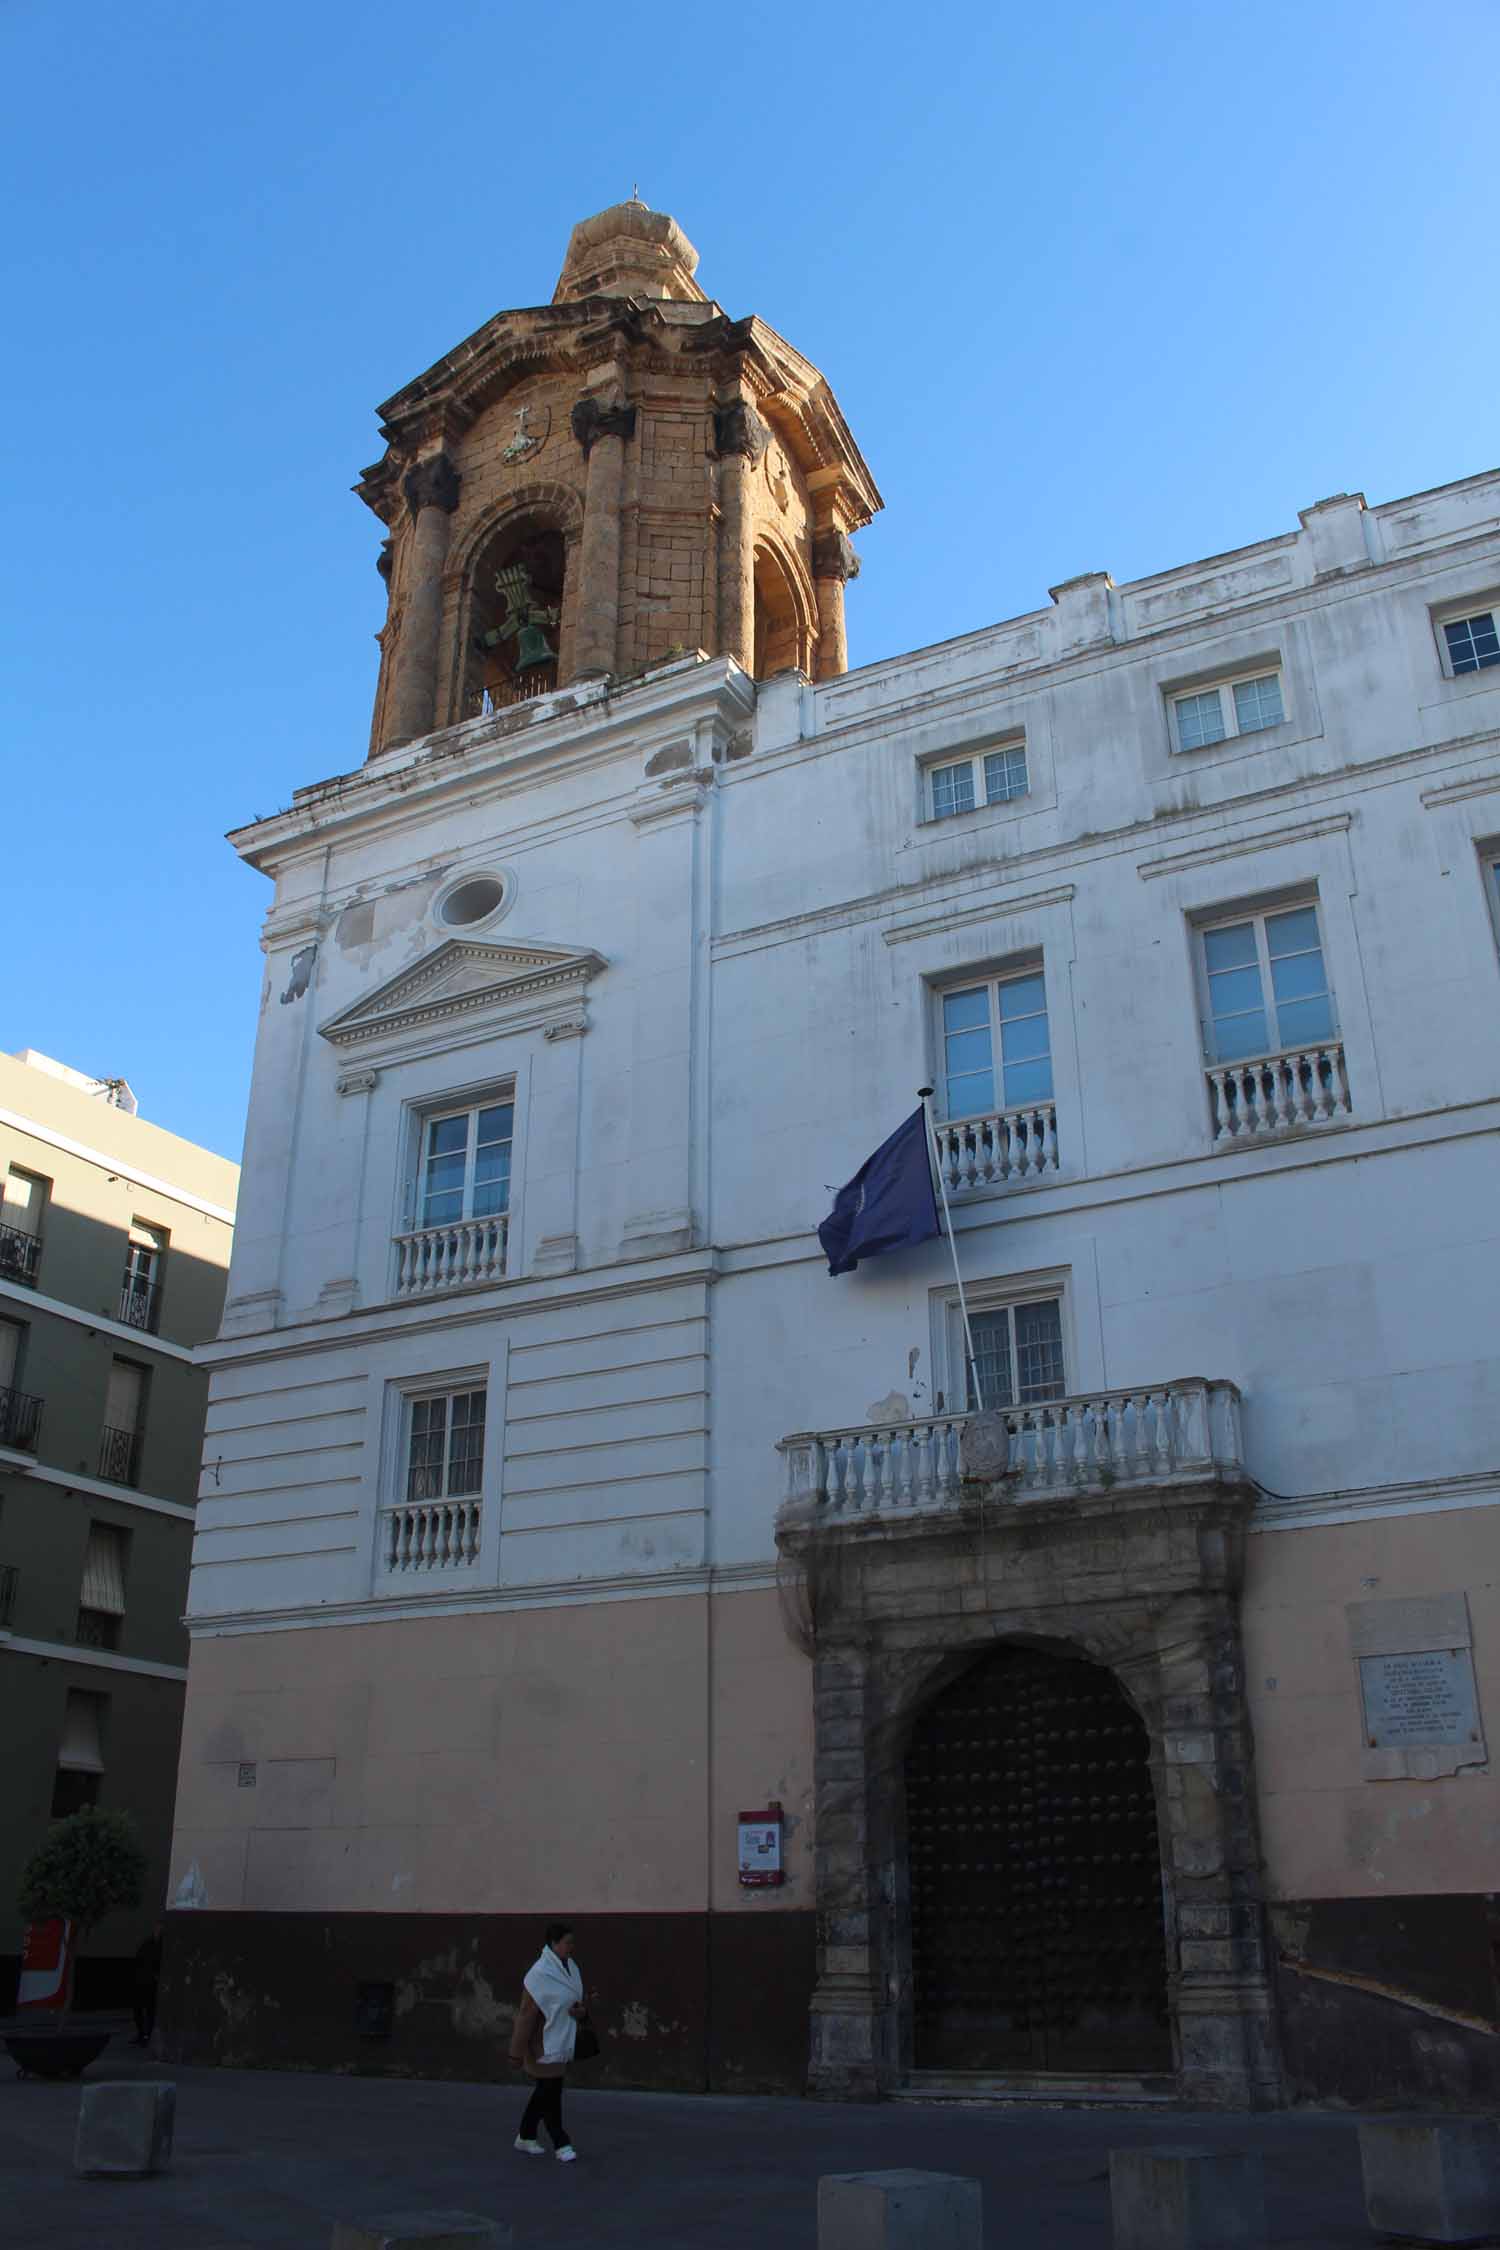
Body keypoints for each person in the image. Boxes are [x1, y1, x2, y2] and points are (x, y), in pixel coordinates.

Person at [509, 1920, 587, 2163]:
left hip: (561, 2039)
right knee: (550, 2091)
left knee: (547, 2091)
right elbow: (525, 2014)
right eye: (567, 1942)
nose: (571, 1947)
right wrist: (516, 2051)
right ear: (553, 1944)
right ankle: (561, 2143)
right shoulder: (539, 1974)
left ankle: (526, 2135)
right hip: (542, 2042)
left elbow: (573, 1999)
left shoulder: (570, 1967)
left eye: (572, 1942)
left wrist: (580, 2013)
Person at [132, 1920, 163, 2047]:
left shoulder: (163, 1944)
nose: (157, 1930)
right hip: (141, 1981)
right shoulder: (147, 1943)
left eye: (160, 1928)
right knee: (138, 2009)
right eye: (156, 1928)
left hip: (152, 1983)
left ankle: (148, 2035)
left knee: (150, 2010)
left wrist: (157, 1976)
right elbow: (139, 1959)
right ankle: (141, 2034)